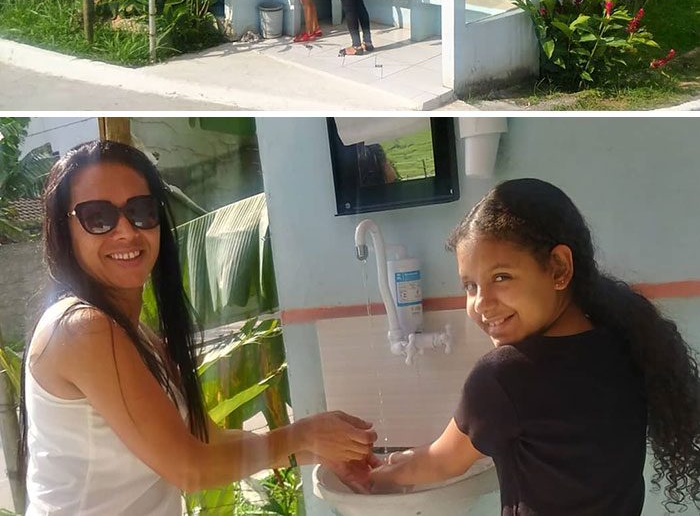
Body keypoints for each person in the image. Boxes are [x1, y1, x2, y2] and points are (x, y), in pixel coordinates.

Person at [20, 140, 377, 515]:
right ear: (64, 230)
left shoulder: (132, 333)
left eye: (141, 211)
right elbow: (189, 468)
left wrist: (314, 449)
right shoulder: (82, 329)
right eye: (98, 217)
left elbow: (208, 439)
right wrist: (300, 436)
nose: (125, 231)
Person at [358, 179, 700, 515]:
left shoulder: (505, 376)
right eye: (470, 285)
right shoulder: (625, 343)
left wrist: (373, 477)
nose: (481, 303)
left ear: (559, 269)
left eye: (501, 277)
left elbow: (441, 461)